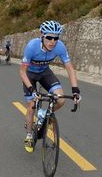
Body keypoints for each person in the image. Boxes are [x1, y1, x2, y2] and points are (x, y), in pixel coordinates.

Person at [19, 20, 81, 153]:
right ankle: (29, 134)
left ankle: (44, 115)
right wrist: (31, 89)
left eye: (56, 38)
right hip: (30, 75)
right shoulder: (32, 46)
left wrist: (75, 90)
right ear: (42, 35)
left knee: (61, 100)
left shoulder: (60, 46)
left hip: (45, 73)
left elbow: (69, 68)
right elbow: (22, 72)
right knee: (31, 106)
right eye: (49, 37)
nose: (52, 41)